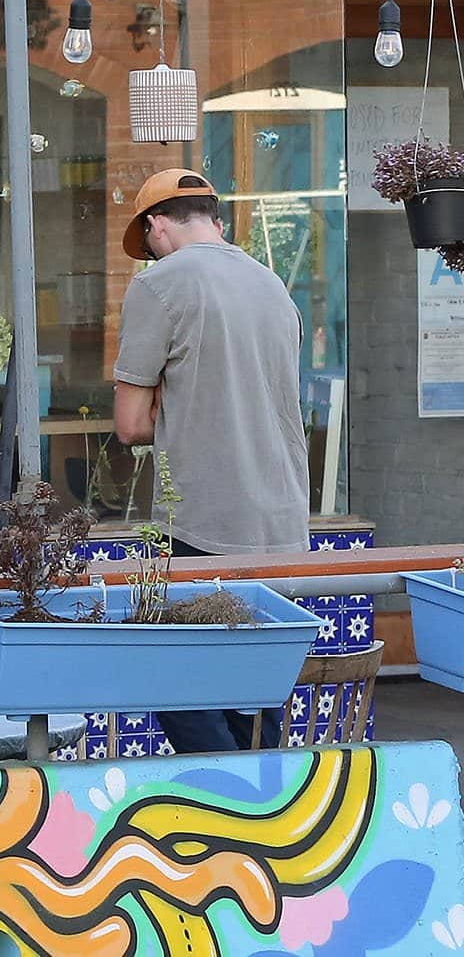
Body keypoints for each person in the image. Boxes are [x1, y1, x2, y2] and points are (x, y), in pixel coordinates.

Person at [113, 168, 309, 754]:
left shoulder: (159, 285)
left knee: (176, 684)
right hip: (282, 522)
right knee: (256, 693)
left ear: (157, 226)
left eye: (147, 244)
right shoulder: (272, 283)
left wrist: (176, 410)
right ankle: (258, 818)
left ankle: (222, 799)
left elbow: (130, 425)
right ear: (215, 221)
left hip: (200, 519)